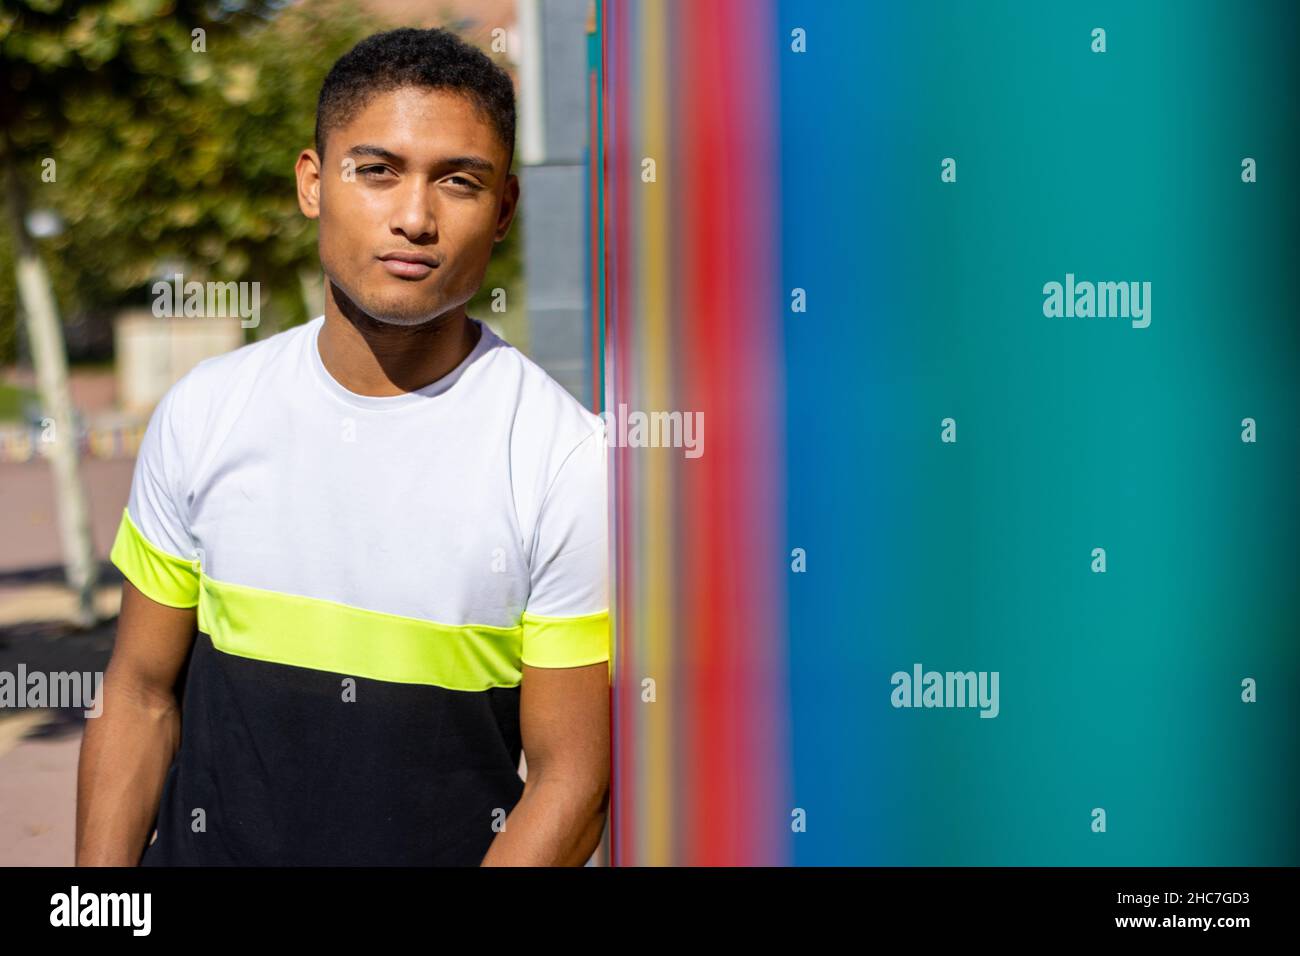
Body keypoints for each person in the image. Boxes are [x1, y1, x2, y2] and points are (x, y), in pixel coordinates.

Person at [75, 27, 610, 866]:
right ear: (313, 184)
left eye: (458, 181)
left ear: (503, 209)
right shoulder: (206, 411)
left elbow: (570, 784)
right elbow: (140, 695)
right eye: (377, 169)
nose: (413, 217)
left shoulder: (566, 459)